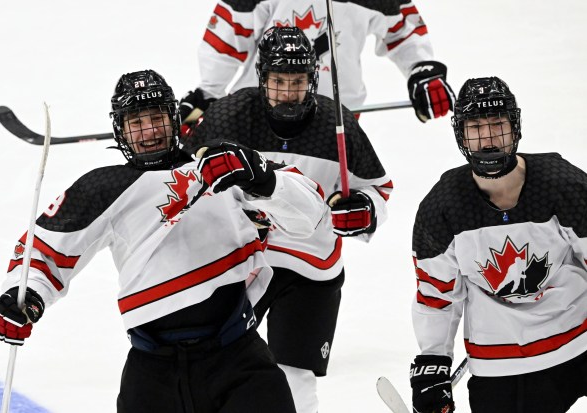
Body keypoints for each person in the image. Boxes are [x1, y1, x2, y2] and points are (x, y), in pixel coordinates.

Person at [0, 69, 328, 413]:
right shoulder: (101, 188)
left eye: (157, 118)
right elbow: (42, 253)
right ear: (121, 129)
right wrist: (23, 294)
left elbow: (311, 213)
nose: (149, 131)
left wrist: (262, 177)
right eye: (137, 121)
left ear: (174, 119)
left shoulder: (218, 167)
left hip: (238, 361)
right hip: (153, 375)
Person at [185, 26, 392, 413]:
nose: (287, 92)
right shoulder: (230, 114)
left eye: (296, 81)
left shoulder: (338, 124)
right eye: (278, 81)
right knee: (217, 359)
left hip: (310, 266)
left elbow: (379, 188)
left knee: (295, 375)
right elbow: (186, 178)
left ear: (313, 80)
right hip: (240, 258)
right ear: (262, 78)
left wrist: (365, 211)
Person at [409, 76, 587, 413]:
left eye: (497, 123)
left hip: (580, 340)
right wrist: (433, 361)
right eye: (476, 126)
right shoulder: (443, 207)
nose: (488, 138)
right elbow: (437, 295)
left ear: (515, 127)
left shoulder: (561, 185)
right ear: (461, 134)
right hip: (503, 361)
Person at [178, 0, 455, 130]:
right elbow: (229, 32)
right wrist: (210, 91)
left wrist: (421, 68)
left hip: (334, 118)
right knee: (245, 202)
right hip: (258, 113)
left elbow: (403, 31)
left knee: (317, 212)